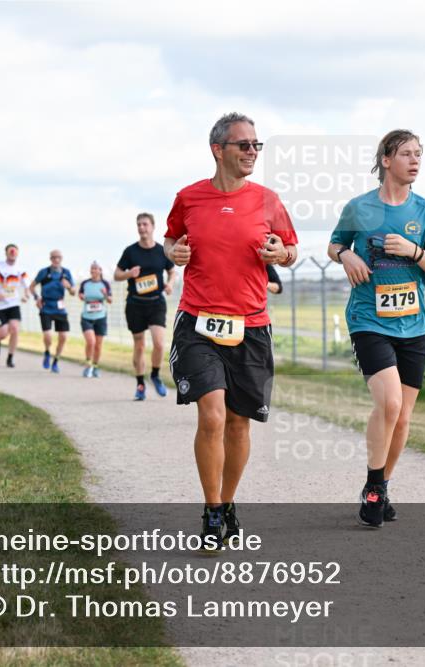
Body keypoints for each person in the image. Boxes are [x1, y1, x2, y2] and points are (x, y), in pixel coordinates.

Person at [165, 112, 298, 548]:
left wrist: (281, 253)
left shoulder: (268, 200)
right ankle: (212, 511)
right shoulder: (189, 198)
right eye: (244, 145)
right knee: (213, 415)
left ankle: (228, 500)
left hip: (251, 326)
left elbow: (290, 249)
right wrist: (175, 252)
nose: (252, 153)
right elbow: (171, 240)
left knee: (239, 424)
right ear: (218, 150)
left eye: (257, 145)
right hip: (198, 323)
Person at [327, 129, 425, 528]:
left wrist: (414, 251)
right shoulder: (359, 208)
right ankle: (373, 486)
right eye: (406, 154)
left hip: (413, 325)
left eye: (419, 154)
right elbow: (333, 245)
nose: (415, 161)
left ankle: (380, 486)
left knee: (402, 419)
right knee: (390, 404)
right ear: (386, 160)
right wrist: (346, 254)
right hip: (368, 320)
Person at [115, 212, 175, 400]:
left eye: (145, 224)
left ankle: (155, 375)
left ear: (152, 227)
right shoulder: (130, 251)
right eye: (139, 225)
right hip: (135, 304)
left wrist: (170, 284)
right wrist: (129, 274)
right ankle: (140, 384)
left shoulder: (160, 251)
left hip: (156, 302)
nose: (142, 228)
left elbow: (172, 271)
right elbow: (117, 275)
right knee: (139, 345)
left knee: (159, 343)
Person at [28, 250, 75, 374]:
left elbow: (74, 291)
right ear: (50, 259)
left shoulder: (66, 273)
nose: (56, 260)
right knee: (48, 336)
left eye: (58, 257)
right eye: (54, 258)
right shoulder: (44, 272)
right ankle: (47, 352)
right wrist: (36, 298)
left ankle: (56, 361)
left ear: (61, 258)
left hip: (60, 307)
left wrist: (69, 287)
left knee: (63, 336)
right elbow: (31, 286)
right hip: (46, 307)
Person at [0, 243, 29, 368]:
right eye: (10, 252)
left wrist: (26, 295)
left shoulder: (20, 269)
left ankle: (10, 357)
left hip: (13, 303)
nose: (12, 254)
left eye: (14, 252)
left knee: (15, 329)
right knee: (4, 332)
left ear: (17, 254)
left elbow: (27, 285)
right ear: (6, 253)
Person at [78, 262, 112, 377]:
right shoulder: (85, 283)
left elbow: (110, 300)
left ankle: (96, 366)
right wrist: (81, 297)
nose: (93, 270)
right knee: (91, 342)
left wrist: (105, 294)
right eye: (92, 268)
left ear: (100, 271)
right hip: (87, 317)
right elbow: (80, 295)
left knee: (98, 345)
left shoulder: (105, 284)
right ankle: (88, 365)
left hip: (100, 317)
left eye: (96, 268)